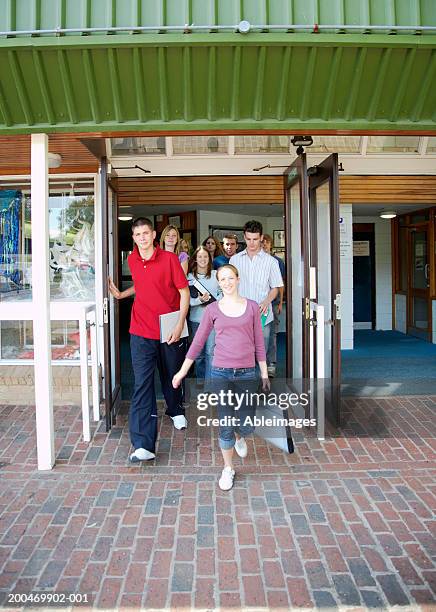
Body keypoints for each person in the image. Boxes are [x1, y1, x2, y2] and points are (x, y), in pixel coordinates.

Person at [173, 264, 269, 491]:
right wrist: (183, 370)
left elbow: (259, 342)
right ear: (219, 283)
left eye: (230, 278)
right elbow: (198, 343)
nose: (226, 282)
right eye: (222, 279)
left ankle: (240, 435)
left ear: (238, 279)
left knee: (245, 423)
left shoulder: (253, 307)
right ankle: (228, 468)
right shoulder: (213, 310)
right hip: (221, 373)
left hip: (247, 373)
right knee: (225, 422)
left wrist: (264, 372)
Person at [108, 217, 190, 463]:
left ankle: (175, 410)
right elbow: (143, 285)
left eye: (146, 233)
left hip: (169, 328)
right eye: (138, 234)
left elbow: (183, 291)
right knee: (142, 384)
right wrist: (123, 293)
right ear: (133, 238)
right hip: (140, 331)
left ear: (154, 235)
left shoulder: (170, 259)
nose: (142, 238)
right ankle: (143, 444)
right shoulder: (132, 259)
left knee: (172, 375)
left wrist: (179, 324)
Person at [229, 220, 283, 358]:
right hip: (240, 314)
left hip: (263, 315)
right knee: (241, 353)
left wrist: (267, 301)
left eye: (255, 239)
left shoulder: (271, 261)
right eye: (248, 239)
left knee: (261, 355)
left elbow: (275, 287)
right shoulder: (234, 260)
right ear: (244, 237)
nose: (252, 243)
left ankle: (260, 379)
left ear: (261, 238)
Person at [187, 246, 220, 382]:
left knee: (210, 353)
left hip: (213, 321)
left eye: (205, 256)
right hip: (196, 320)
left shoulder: (216, 275)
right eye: (199, 256)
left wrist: (215, 302)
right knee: (199, 354)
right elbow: (187, 300)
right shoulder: (189, 277)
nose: (202, 259)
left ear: (210, 258)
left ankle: (209, 383)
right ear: (195, 259)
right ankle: (201, 380)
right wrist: (198, 300)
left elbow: (223, 294)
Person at [262, 234, 285, 377]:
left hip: (274, 303)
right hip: (259, 305)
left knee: (272, 334)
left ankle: (271, 363)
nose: (264, 245)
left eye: (266, 242)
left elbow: (280, 284)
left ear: (270, 244)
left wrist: (281, 302)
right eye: (262, 242)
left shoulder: (277, 261)